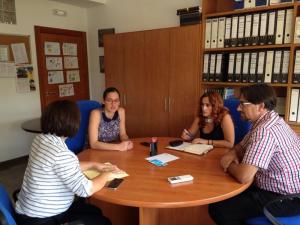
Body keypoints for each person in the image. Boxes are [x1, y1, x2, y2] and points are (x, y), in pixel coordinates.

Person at [209, 84, 300, 225]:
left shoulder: (265, 131)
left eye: (242, 104)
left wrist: (227, 163)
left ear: (260, 106)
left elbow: (243, 176)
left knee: (218, 208)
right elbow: (240, 146)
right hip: (286, 191)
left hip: (285, 198)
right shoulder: (270, 120)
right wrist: (232, 153)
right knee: (225, 193)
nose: (238, 108)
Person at [15, 100, 117, 225]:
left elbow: (61, 166)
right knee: (103, 221)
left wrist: (93, 164)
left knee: (94, 211)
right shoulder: (60, 153)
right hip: (42, 219)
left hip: (30, 210)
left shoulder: (40, 139)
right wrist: (106, 175)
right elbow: (85, 190)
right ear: (72, 124)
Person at [89, 87, 133, 151]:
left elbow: (123, 134)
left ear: (119, 102)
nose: (113, 104)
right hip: (98, 150)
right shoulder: (96, 114)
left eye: (116, 100)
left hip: (115, 149)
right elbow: (93, 144)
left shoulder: (121, 111)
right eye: (109, 100)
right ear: (103, 101)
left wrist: (127, 142)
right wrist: (118, 147)